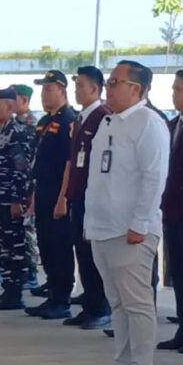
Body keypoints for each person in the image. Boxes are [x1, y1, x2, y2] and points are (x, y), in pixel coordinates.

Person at [87, 61, 168, 365]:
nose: (108, 86)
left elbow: (153, 177)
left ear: (136, 89)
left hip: (131, 230)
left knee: (136, 305)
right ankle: (122, 364)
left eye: (115, 82)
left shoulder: (149, 123)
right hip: (103, 228)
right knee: (117, 303)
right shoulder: (109, 122)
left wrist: (140, 223)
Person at [56, 67, 112, 330]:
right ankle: (89, 305)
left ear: (95, 89)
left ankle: (100, 307)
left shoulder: (103, 117)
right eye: (76, 86)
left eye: (81, 86)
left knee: (93, 255)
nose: (77, 91)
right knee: (82, 251)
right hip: (79, 196)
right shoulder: (80, 118)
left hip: (94, 196)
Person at [25, 70, 76, 320]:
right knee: (45, 244)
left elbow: (69, 161)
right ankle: (53, 295)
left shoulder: (68, 119)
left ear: (62, 90)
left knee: (60, 246)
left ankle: (62, 298)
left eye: (48, 89)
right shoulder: (45, 121)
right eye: (43, 89)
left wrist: (63, 197)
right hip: (43, 190)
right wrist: (34, 196)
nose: (44, 94)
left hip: (58, 192)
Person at [0, 88, 32, 310]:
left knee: (13, 247)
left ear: (10, 107)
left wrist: (17, 200)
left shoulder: (17, 133)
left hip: (9, 200)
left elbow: (21, 170)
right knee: (0, 246)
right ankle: (7, 288)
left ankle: (15, 291)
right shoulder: (0, 131)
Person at [157, 69, 183, 352]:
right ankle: (182, 330)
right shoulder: (172, 124)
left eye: (178, 89)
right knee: (178, 272)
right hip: (173, 212)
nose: (174, 94)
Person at [13, 84, 41, 291]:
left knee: (28, 231)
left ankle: (32, 273)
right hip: (16, 184)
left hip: (28, 184)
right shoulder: (14, 124)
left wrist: (30, 190)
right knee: (18, 232)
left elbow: (32, 159)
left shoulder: (32, 125)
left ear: (24, 100)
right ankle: (22, 272)